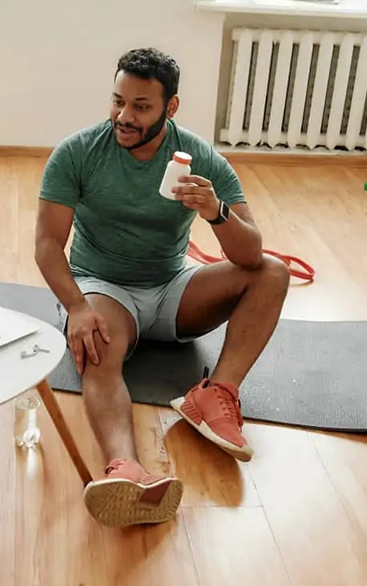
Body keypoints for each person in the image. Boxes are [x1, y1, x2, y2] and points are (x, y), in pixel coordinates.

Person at [34, 48, 290, 527]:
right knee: (97, 344)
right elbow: (48, 244)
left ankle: (215, 393)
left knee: (274, 272)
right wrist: (76, 307)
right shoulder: (78, 152)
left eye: (141, 107)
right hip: (103, 288)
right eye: (117, 101)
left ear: (170, 108)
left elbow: (252, 254)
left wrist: (216, 212)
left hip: (174, 286)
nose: (123, 116)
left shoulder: (200, 157)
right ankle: (125, 468)